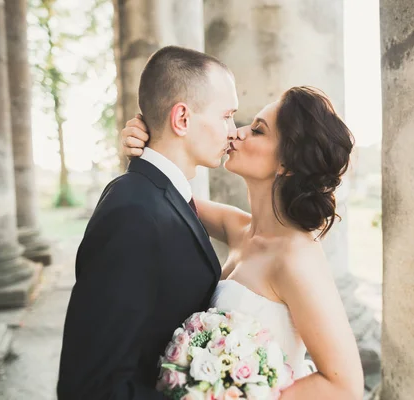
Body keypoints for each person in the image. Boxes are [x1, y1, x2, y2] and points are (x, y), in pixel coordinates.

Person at [122, 86, 364, 399]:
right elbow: (167, 192)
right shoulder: (238, 227)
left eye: (258, 131)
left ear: (286, 164)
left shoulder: (295, 256)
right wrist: (144, 142)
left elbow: (344, 385)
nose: (236, 134)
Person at [57, 46, 239, 399]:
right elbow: (92, 385)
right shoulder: (132, 213)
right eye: (226, 116)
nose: (232, 131)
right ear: (182, 119)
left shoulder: (163, 194)